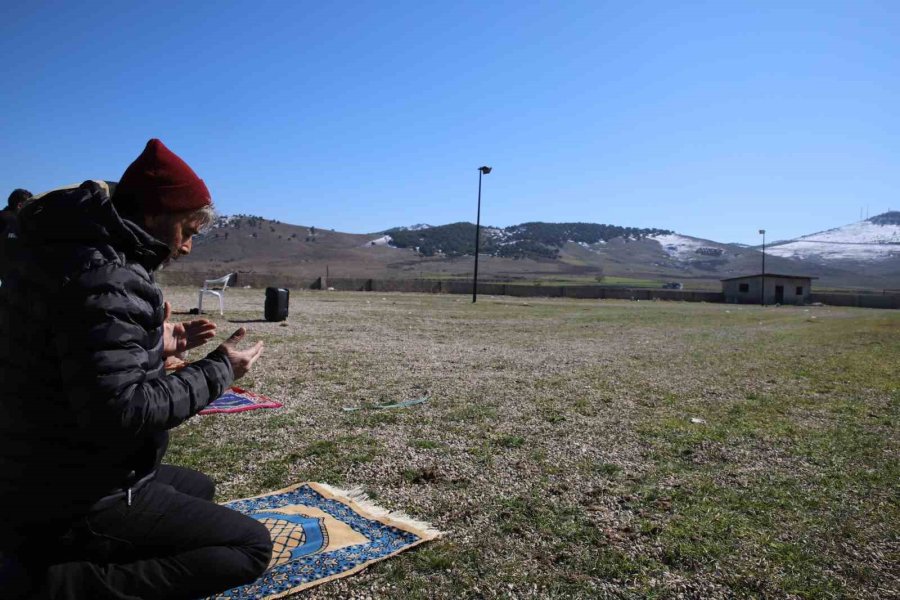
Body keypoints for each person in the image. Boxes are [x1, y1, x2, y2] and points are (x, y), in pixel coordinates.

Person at [0, 139, 272, 599]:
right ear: (155, 215)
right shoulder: (108, 275)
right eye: (186, 230)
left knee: (196, 487)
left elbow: (74, 354)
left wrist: (156, 342)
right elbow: (123, 410)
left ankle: (57, 551)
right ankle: (54, 583)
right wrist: (220, 369)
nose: (185, 247)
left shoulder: (69, 253)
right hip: (70, 492)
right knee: (249, 545)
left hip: (36, 465)